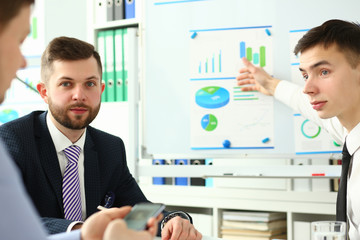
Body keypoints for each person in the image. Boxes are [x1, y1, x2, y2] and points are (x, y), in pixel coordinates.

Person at [0, 35, 202, 240]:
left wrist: (173, 221)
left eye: (90, 84)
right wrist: (82, 230)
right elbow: (8, 219)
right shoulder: (12, 140)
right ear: (44, 92)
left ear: (101, 89)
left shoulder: (110, 147)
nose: (79, 95)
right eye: (66, 84)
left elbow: (137, 211)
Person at [237, 19, 360, 239]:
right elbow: (303, 103)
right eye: (305, 75)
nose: (307, 89)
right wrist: (270, 84)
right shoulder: (349, 131)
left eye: (323, 72)